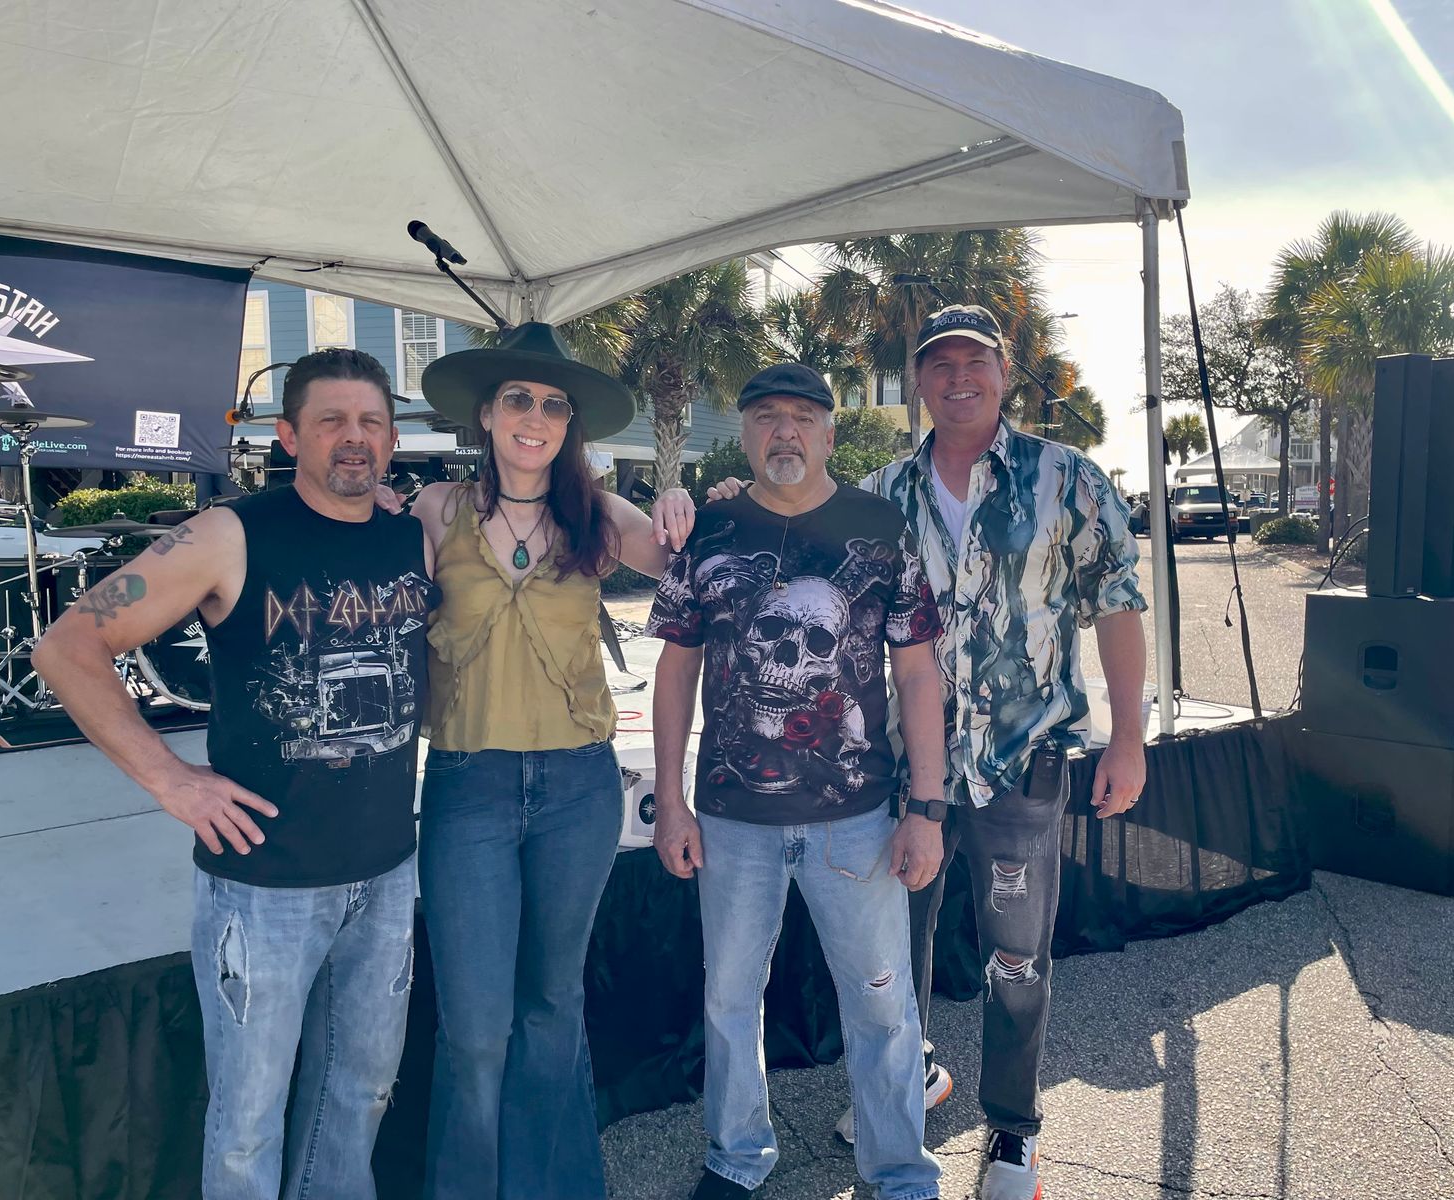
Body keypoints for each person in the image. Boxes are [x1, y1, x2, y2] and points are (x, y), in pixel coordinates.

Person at [710, 307, 1149, 1200]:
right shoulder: (879, 496)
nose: (958, 378)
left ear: (1004, 373)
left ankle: (1013, 1130)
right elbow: (785, 528)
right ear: (917, 382)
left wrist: (1130, 739)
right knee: (893, 955)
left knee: (1015, 958)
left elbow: (1118, 607)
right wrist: (722, 500)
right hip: (903, 777)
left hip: (1021, 762)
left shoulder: (1066, 478)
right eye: (939, 364)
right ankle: (909, 1085)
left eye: (974, 362)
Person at [34, 348, 436, 1200]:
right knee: (249, 1125)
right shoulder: (228, 535)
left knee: (359, 1096)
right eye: (330, 421)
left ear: (393, 439)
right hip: (264, 887)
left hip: (385, 875)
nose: (354, 438)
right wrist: (168, 779)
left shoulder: (413, 536)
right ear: (288, 435)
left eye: (370, 422)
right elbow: (67, 647)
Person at [647, 363, 948, 1200]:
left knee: (882, 1003)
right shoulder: (709, 532)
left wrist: (926, 807)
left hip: (857, 818)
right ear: (744, 433)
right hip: (731, 817)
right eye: (767, 416)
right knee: (728, 999)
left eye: (804, 417)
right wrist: (670, 802)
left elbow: (918, 672)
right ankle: (736, 1158)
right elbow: (675, 670)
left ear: (829, 432)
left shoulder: (879, 528)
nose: (786, 431)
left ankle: (900, 1172)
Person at [409, 322, 694, 1200]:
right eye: (518, 400)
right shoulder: (435, 511)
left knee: (551, 1007)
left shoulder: (596, 516)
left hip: (577, 787)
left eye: (554, 405)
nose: (534, 418)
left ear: (571, 425)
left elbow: (690, 559)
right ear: (487, 414)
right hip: (468, 787)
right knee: (474, 1027)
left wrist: (690, 499)